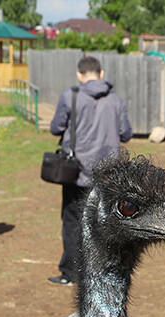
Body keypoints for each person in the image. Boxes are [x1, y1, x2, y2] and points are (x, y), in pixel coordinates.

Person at [46, 55, 133, 285]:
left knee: (73, 221)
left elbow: (56, 127)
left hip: (76, 173)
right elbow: (126, 133)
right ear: (101, 74)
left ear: (80, 75)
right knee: (106, 223)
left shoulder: (71, 96)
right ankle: (105, 271)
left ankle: (71, 273)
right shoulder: (116, 100)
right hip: (109, 174)